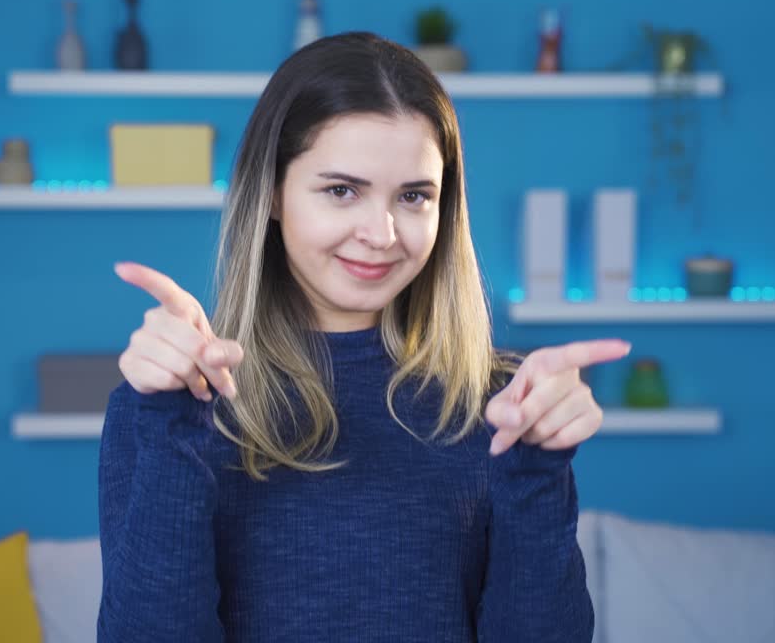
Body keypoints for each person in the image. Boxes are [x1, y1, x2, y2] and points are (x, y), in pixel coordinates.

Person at [98, 31, 630, 642]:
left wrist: (537, 471)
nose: (381, 234)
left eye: (413, 196)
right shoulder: (164, 408)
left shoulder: (505, 405)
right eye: (342, 191)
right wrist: (172, 424)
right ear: (272, 194)